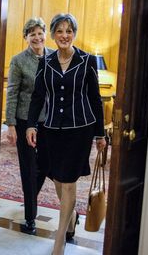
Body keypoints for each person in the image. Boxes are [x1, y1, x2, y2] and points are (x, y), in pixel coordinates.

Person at [26, 13, 106, 255]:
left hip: (79, 130)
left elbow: (95, 98)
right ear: (52, 35)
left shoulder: (87, 60)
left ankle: (59, 241)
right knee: (58, 180)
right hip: (51, 130)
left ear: (74, 34)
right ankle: (71, 218)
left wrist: (100, 134)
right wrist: (31, 125)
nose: (64, 35)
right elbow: (38, 96)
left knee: (69, 182)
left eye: (68, 31)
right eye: (59, 31)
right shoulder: (46, 62)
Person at [5, 17, 54, 235]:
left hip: (50, 121)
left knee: (45, 164)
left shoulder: (55, 56)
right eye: (31, 33)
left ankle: (30, 198)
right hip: (26, 121)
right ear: (26, 37)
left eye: (39, 32)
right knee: (28, 166)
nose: (37, 37)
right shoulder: (18, 61)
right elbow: (12, 92)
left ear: (45, 34)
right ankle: (30, 217)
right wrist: (11, 125)